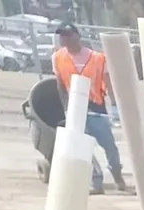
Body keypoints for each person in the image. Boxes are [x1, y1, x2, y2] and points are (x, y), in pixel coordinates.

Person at [52, 22, 124, 196]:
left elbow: (108, 82)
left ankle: (117, 174)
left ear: (77, 36)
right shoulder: (58, 57)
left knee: (109, 146)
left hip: (96, 107)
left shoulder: (97, 58)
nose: (64, 38)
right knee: (82, 147)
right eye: (61, 35)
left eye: (67, 34)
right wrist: (66, 108)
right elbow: (60, 84)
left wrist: (114, 105)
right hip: (75, 107)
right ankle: (96, 181)